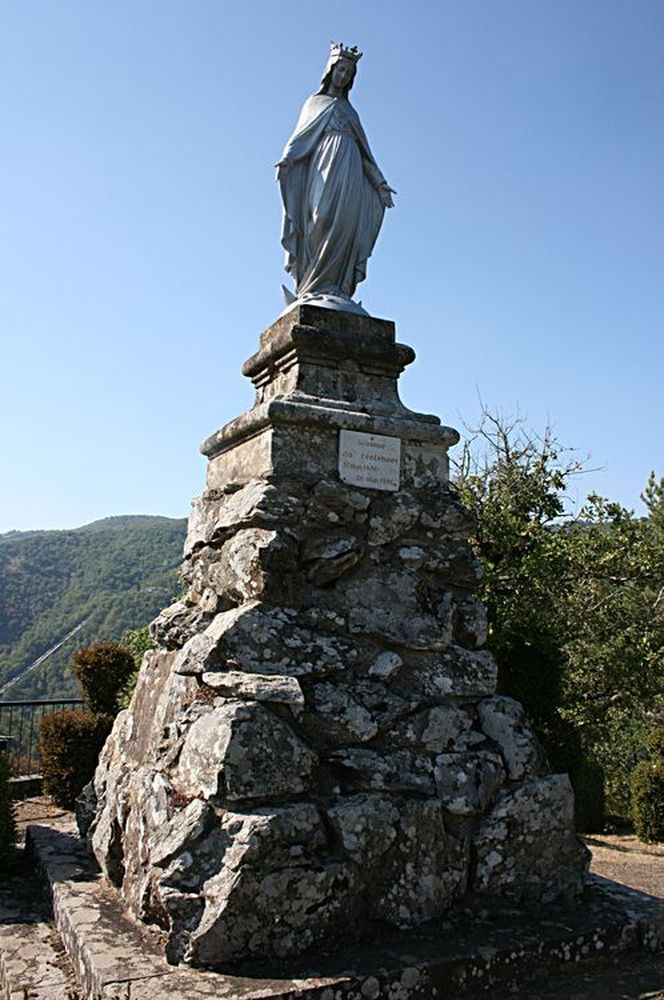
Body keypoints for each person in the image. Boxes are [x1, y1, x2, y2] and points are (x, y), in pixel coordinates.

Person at [276, 43, 395, 314]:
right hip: (323, 168)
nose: (343, 76)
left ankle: (336, 288)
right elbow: (300, 139)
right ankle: (312, 287)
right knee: (321, 218)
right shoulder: (315, 103)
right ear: (331, 71)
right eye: (341, 70)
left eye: (348, 73)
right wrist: (288, 159)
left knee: (344, 225)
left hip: (350, 171)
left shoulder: (351, 112)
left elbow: (366, 154)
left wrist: (378, 182)